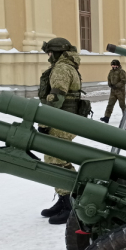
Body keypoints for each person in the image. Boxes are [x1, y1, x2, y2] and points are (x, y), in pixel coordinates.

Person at [39, 37, 83, 225]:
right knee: (55, 159)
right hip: (64, 120)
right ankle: (63, 199)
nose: (49, 57)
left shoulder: (62, 68)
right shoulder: (67, 66)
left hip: (60, 121)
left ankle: (69, 204)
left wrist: (44, 120)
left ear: (57, 52)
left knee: (57, 160)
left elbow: (56, 97)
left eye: (50, 53)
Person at [100, 59, 126, 123]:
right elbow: (109, 78)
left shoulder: (121, 72)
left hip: (120, 91)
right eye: (112, 65)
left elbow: (123, 81)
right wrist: (110, 84)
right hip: (113, 91)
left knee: (122, 105)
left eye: (115, 65)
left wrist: (117, 86)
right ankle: (106, 117)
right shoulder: (111, 72)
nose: (113, 67)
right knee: (110, 104)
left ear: (118, 65)